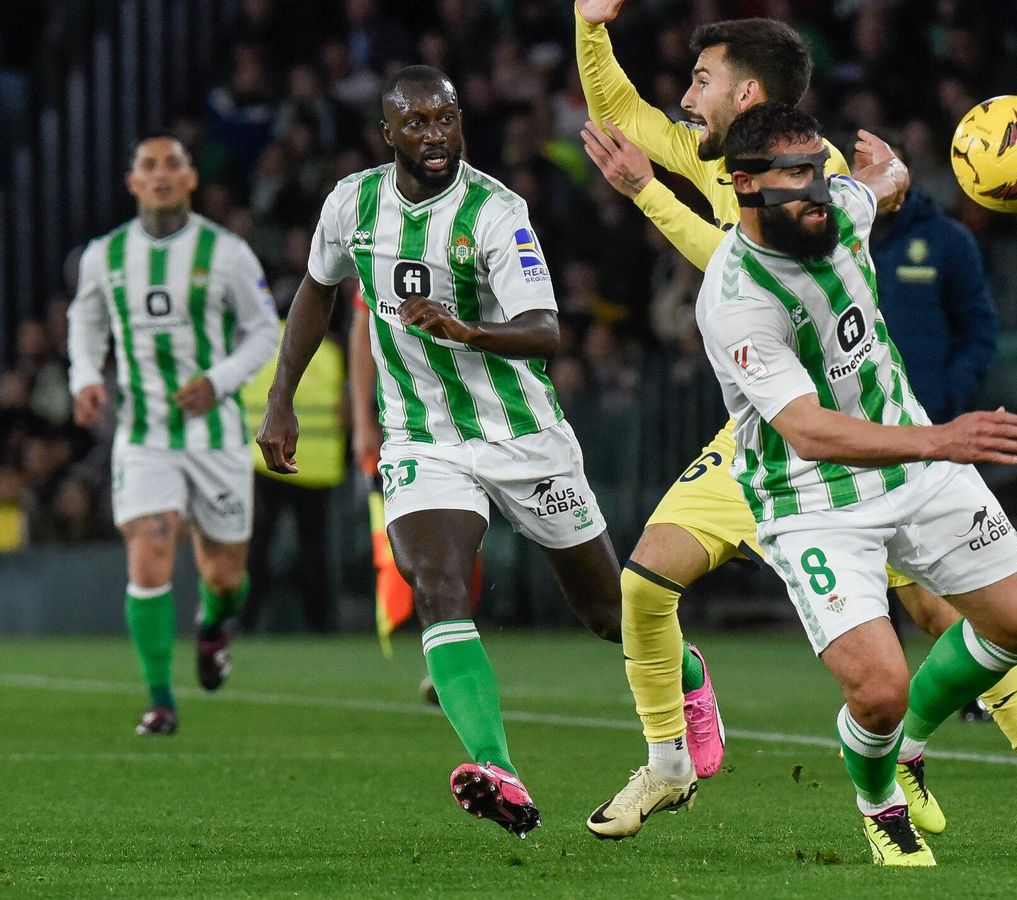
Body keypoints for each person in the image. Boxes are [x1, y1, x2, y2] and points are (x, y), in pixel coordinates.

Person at [575, 1, 1017, 858]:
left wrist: (644, 197)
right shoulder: (721, 164)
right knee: (643, 583)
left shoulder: (805, 181)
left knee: (954, 610)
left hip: (864, 430)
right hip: (775, 440)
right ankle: (669, 759)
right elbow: (629, 128)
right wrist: (591, 29)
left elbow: (762, 255)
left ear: (749, 93)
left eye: (702, 81)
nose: (684, 99)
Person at [696, 103, 1017, 866]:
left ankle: (907, 746)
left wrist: (892, 168)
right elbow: (807, 430)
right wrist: (944, 438)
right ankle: (879, 802)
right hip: (811, 500)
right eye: (796, 174)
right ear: (744, 184)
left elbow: (882, 182)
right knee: (878, 689)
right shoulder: (737, 298)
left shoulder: (835, 206)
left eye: (820, 166)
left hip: (914, 466)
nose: (818, 187)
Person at [255, 66, 625, 838]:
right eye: (416, 123)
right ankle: (500, 770)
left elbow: (545, 330)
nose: (433, 136)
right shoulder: (351, 202)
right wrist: (281, 396)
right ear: (386, 134)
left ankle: (689, 688)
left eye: (445, 120)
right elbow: (317, 291)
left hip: (521, 435)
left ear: (462, 123)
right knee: (437, 583)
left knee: (609, 615)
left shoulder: (495, 210)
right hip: (423, 438)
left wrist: (468, 330)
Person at [66, 135, 279, 735]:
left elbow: (265, 330)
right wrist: (85, 376)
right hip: (144, 432)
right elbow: (83, 319)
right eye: (149, 166)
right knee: (151, 554)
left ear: (191, 179)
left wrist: (218, 380)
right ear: (132, 182)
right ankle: (160, 700)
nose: (160, 175)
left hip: (215, 435)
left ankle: (213, 628)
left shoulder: (228, 252)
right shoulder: (103, 256)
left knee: (225, 576)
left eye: (172, 165)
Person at [239, 291, 347, 633]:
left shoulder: (256, 353)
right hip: (317, 467)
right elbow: (346, 414)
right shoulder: (329, 352)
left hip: (263, 460)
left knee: (257, 545)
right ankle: (320, 621)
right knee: (314, 549)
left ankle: (245, 619)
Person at [869, 175, 997, 425]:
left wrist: (948, 392)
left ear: (906, 176)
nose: (882, 182)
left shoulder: (948, 239)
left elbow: (980, 326)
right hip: (853, 418)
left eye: (889, 170)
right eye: (871, 170)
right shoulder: (832, 240)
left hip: (930, 416)